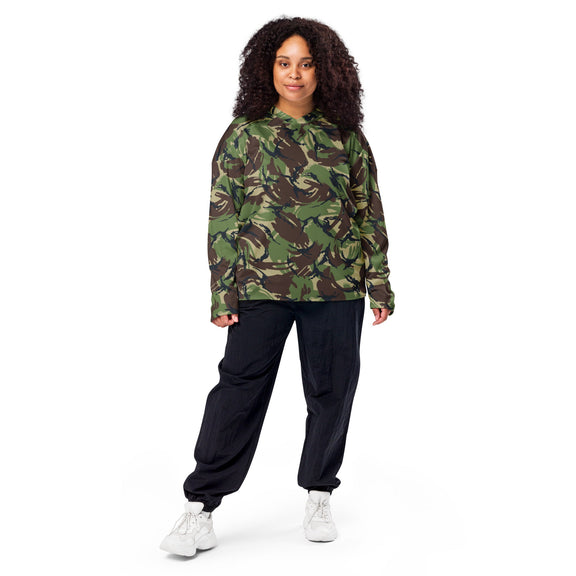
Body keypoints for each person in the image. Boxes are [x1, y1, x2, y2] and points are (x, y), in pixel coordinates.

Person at [160, 16, 395, 557]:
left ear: (325, 71)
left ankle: (319, 492)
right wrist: (223, 292)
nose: (295, 74)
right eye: (284, 63)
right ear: (266, 69)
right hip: (259, 288)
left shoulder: (345, 136)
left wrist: (379, 284)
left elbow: (368, 212)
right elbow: (224, 217)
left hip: (336, 286)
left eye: (307, 64)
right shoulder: (245, 134)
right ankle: (200, 507)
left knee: (333, 390)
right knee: (237, 392)